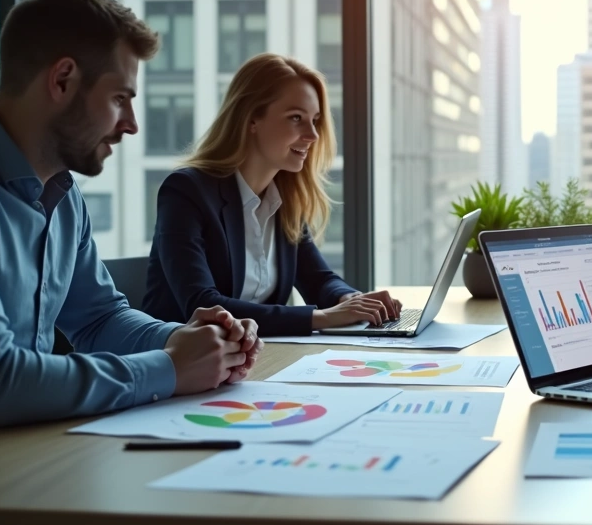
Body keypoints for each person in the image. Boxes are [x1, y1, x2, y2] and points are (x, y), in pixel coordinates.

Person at [0, 0, 263, 476]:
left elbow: (97, 320)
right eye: (120, 98)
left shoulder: (61, 192)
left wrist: (191, 341)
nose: (132, 124)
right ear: (63, 80)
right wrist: (170, 368)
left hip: (8, 452)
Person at [141, 53, 400, 336]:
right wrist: (320, 318)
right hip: (186, 367)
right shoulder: (187, 191)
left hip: (257, 361)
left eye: (314, 120)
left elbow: (318, 279)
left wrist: (350, 300)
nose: (312, 135)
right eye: (296, 118)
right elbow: (202, 305)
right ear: (252, 119)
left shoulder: (283, 198)